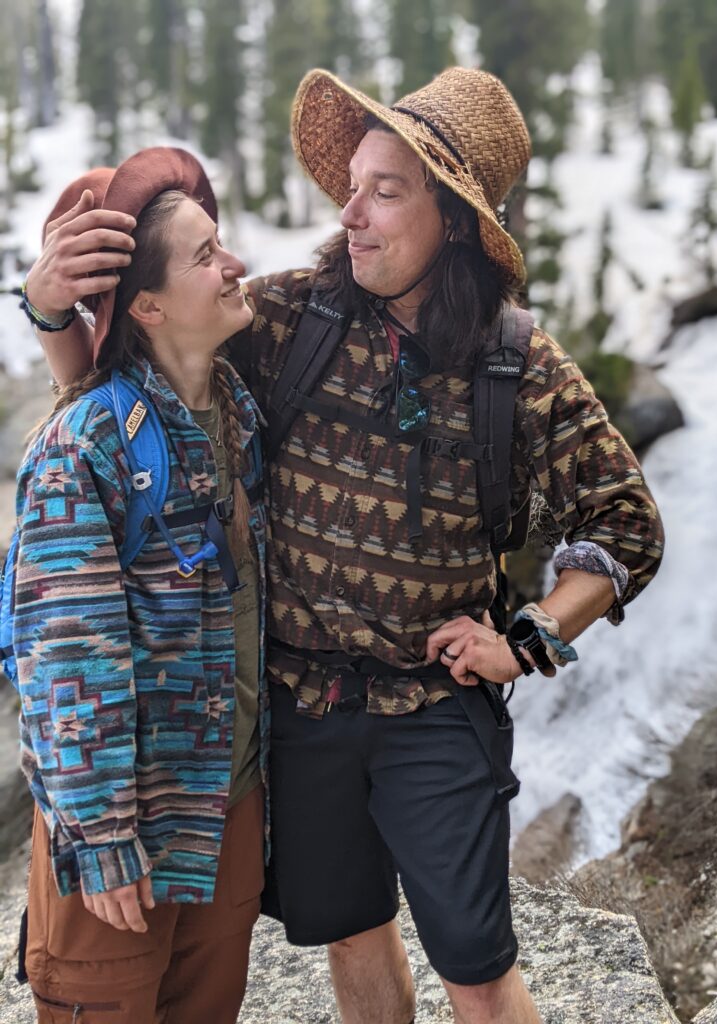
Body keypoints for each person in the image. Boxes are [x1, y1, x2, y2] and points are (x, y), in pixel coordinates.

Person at [26, 68, 664, 1024]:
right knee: (353, 934)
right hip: (304, 711)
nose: (350, 211)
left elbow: (626, 521)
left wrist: (529, 639)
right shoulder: (293, 317)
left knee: (476, 965)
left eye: (385, 191)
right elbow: (134, 376)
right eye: (353, 184)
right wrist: (48, 314)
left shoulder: (515, 362)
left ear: (452, 220)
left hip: (437, 710)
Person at [14, 147, 267, 1023]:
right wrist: (103, 836)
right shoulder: (82, 448)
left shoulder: (238, 408)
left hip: (224, 811)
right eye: (206, 255)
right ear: (148, 306)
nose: (234, 264)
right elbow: (66, 659)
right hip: (123, 837)